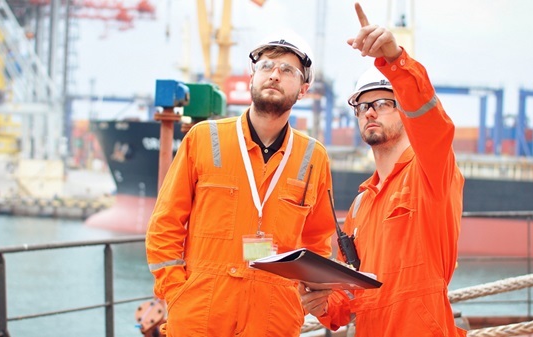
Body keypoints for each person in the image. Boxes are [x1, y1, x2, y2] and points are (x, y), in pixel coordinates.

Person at [145, 33, 337, 336]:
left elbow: (317, 242)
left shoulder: (313, 158)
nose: (274, 74)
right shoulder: (203, 139)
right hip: (200, 313)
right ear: (252, 77)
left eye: (288, 70)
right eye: (266, 65)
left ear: (303, 90)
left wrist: (297, 302)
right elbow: (165, 224)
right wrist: (177, 293)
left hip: (274, 317)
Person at [300, 3, 467, 337]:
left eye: (384, 103)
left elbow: (433, 124)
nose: (370, 112)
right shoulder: (362, 205)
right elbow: (351, 296)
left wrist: (394, 60)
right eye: (363, 106)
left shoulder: (430, 174)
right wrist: (321, 303)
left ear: (404, 109)